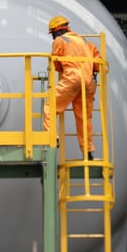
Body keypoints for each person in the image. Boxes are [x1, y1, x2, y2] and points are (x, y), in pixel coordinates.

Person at [43, 15, 100, 160]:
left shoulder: (60, 40)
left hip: (72, 78)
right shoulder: (85, 41)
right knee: (84, 118)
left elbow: (56, 63)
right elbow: (98, 64)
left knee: (50, 106)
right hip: (89, 82)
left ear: (56, 31)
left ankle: (52, 138)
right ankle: (88, 151)